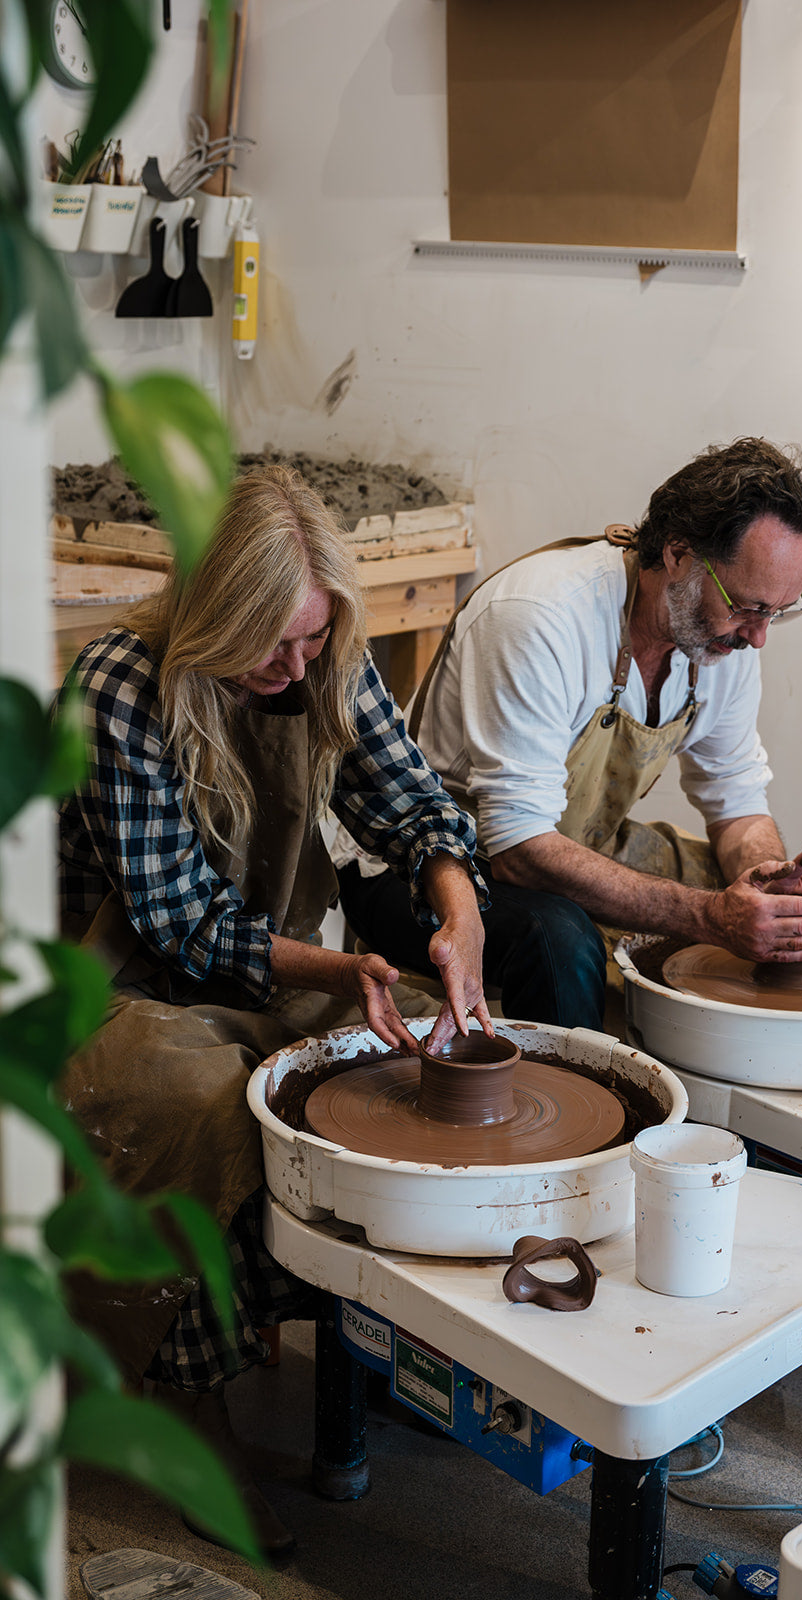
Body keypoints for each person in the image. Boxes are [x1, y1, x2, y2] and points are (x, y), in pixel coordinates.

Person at [59, 466, 490, 1554]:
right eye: (273, 646)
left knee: (429, 1045)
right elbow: (180, 926)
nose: (297, 669)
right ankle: (184, 1402)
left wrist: (454, 910)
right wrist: (344, 973)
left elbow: (414, 805)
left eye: (311, 642)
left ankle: (373, 1346)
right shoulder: (121, 684)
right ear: (212, 617)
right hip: (120, 989)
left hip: (267, 966)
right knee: (212, 1098)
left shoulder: (322, 659)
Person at [338, 436, 802, 1031]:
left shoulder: (722, 640)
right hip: (424, 869)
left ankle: (707, 1097)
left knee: (765, 904)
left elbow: (736, 800)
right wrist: (711, 917)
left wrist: (772, 881)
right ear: (679, 554)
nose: (758, 637)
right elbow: (519, 850)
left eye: (778, 612)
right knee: (560, 938)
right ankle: (562, 1109)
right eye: (746, 606)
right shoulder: (542, 617)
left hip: (574, 841)